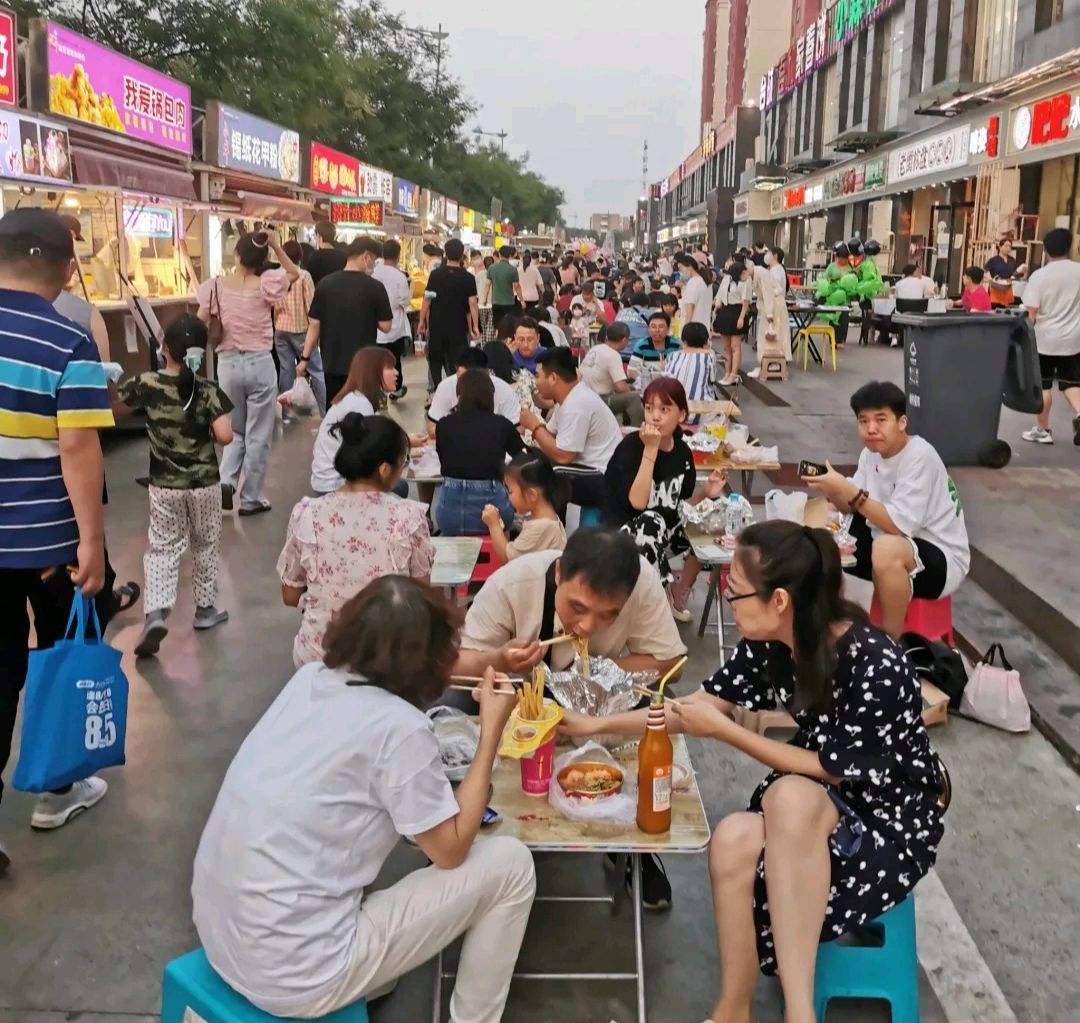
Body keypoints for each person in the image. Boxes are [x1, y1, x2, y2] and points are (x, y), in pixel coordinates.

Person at [561, 520, 945, 1022]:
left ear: (780, 600)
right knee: (734, 837)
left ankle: (800, 1015)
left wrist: (728, 733)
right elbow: (697, 707)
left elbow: (834, 769)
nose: (725, 599)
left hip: (887, 819)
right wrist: (596, 724)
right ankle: (733, 1008)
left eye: (734, 592)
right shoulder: (772, 647)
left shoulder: (875, 661)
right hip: (814, 808)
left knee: (788, 796)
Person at [193, 577, 534, 1020]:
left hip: (222, 934)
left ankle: (368, 976)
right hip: (295, 975)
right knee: (510, 864)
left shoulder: (310, 680)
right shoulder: (398, 728)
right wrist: (490, 730)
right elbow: (449, 850)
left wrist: (490, 660)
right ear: (431, 659)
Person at [455, 527, 686, 909]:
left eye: (608, 615)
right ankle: (457, 827)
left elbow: (670, 665)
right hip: (519, 697)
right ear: (559, 573)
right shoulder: (515, 583)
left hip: (597, 700)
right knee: (455, 704)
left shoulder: (642, 582)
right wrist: (497, 660)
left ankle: (635, 848)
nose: (587, 627)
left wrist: (599, 674)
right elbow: (459, 666)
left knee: (661, 707)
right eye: (577, 608)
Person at [0, 208, 115, 862]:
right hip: (46, 544)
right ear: (68, 268)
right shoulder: (66, 340)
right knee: (61, 653)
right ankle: (56, 787)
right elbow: (77, 446)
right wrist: (92, 543)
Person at [804, 381, 970, 638]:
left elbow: (897, 526)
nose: (871, 429)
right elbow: (851, 507)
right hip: (891, 539)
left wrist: (849, 492)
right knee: (816, 531)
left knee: (885, 548)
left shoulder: (920, 456)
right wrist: (831, 487)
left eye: (881, 420)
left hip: (941, 556)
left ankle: (889, 644)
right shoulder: (870, 454)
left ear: (901, 422)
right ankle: (823, 626)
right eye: (863, 421)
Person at [117, 314, 233, 657]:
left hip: (165, 485)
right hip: (204, 485)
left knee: (164, 548)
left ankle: (155, 612)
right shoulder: (207, 389)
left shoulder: (147, 383)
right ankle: (205, 610)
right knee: (205, 545)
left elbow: (118, 408)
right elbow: (225, 435)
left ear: (164, 347)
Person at [278, 416, 433, 666]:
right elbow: (421, 594)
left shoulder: (308, 513)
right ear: (384, 469)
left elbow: (290, 594)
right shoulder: (408, 518)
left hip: (319, 655)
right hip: (385, 658)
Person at [603, 377, 727, 619]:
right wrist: (650, 449)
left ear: (681, 415)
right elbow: (638, 504)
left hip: (661, 537)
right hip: (622, 536)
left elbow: (678, 508)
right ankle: (656, 607)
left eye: (664, 409)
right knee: (653, 520)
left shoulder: (682, 453)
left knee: (709, 519)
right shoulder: (631, 447)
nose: (654, 417)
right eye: (649, 409)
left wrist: (706, 493)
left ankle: (679, 592)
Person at [197, 230, 298, 516]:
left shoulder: (214, 286)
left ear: (237, 255)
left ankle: (227, 481)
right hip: (260, 363)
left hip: (227, 365)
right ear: (261, 260)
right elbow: (294, 272)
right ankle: (251, 497)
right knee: (258, 435)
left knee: (234, 430)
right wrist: (277, 244)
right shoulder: (267, 283)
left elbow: (198, 321)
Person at [296, 236, 391, 410]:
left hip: (332, 362)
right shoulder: (375, 287)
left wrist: (305, 359)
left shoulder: (325, 285)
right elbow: (386, 326)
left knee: (336, 411)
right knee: (364, 411)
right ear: (366, 257)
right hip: (364, 364)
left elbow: (314, 326)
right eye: (374, 261)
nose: (373, 266)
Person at [520, 347, 623, 507]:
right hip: (585, 468)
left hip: (601, 474)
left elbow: (564, 456)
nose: (536, 381)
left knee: (555, 475)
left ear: (553, 378)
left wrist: (534, 426)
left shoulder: (577, 403)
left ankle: (554, 527)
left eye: (538, 375)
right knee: (530, 460)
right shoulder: (567, 398)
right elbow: (549, 435)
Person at [434, 370, 524, 536]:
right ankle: (502, 553)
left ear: (459, 395)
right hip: (492, 514)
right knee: (508, 517)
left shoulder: (444, 424)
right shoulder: (502, 425)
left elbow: (444, 459)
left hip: (449, 515)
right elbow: (522, 458)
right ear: (491, 396)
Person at [311, 347, 403, 494]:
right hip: (335, 485)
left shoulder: (357, 398)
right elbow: (372, 453)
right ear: (373, 372)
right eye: (389, 368)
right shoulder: (360, 405)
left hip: (326, 480)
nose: (396, 373)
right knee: (399, 486)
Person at [1020, 227, 1080, 446]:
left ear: (1045, 250)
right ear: (1070, 247)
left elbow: (1031, 313)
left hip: (1044, 340)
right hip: (1074, 340)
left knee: (1044, 386)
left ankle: (1043, 430)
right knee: (1072, 383)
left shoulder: (1040, 276)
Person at [482, 451, 568, 563]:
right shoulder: (547, 518)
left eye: (511, 491)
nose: (508, 496)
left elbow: (507, 559)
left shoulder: (541, 528)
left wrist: (493, 525)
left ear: (531, 495)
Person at [273, 240, 326, 419]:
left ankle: (286, 413)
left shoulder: (275, 276)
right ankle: (322, 411)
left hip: (280, 329)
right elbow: (312, 307)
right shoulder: (303, 276)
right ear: (300, 256)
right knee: (316, 370)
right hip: (301, 329)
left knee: (286, 370)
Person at [418, 238, 480, 388]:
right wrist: (475, 326)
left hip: (437, 325)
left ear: (445, 253)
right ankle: (454, 391)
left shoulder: (435, 275)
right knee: (457, 360)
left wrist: (421, 321)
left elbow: (428, 299)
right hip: (459, 327)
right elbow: (472, 303)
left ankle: (436, 390)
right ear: (462, 256)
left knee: (435, 359)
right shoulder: (468, 278)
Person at [427, 347, 521, 438]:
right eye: (463, 379)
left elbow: (518, 429)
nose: (469, 385)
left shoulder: (504, 390)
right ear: (456, 370)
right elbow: (432, 428)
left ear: (488, 372)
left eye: (476, 379)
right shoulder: (445, 387)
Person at [579, 321, 643, 426]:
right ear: (624, 340)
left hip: (584, 395)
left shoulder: (595, 349)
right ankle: (635, 431)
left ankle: (625, 424)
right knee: (634, 398)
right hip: (598, 399)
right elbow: (621, 387)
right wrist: (636, 394)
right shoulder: (613, 355)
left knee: (631, 389)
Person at [371, 239, 413, 400]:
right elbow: (404, 300)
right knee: (393, 359)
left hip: (375, 326)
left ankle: (376, 391)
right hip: (394, 326)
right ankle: (394, 388)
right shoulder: (399, 276)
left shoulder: (373, 273)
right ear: (397, 256)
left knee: (376, 360)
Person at [712, 257, 752, 385]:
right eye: (743, 272)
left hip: (737, 311)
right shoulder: (727, 279)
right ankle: (727, 373)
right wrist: (715, 310)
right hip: (725, 312)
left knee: (735, 346)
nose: (745, 274)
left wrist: (741, 318)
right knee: (726, 347)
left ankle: (734, 375)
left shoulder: (746, 282)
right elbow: (720, 296)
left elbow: (746, 302)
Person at [664, 322, 714, 416]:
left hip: (673, 413)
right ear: (706, 341)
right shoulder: (709, 356)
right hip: (700, 414)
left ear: (684, 341)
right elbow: (712, 379)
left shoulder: (673, 355)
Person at [675, 254, 712, 335]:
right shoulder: (705, 282)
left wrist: (686, 330)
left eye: (681, 268)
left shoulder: (693, 283)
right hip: (703, 327)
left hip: (692, 330)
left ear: (689, 266)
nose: (680, 272)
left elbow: (689, 309)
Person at [985, 237, 1026, 308]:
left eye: (1010, 246)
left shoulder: (1012, 260)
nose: (1008, 248)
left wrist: (1021, 271)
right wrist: (991, 279)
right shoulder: (993, 260)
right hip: (996, 288)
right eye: (1006, 246)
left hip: (1007, 287)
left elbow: (1014, 273)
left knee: (1006, 309)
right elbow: (986, 271)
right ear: (1000, 247)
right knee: (995, 308)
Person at [305, 220, 347, 286]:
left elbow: (309, 279)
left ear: (318, 235)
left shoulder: (315, 256)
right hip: (339, 292)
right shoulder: (343, 256)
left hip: (320, 292)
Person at [489, 245, 522, 326]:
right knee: (508, 324)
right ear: (510, 255)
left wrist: (484, 299)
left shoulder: (492, 268)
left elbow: (487, 284)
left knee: (497, 324)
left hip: (496, 301)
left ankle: (498, 337)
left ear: (499, 254)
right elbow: (517, 286)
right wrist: (521, 299)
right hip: (509, 302)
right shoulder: (513, 269)